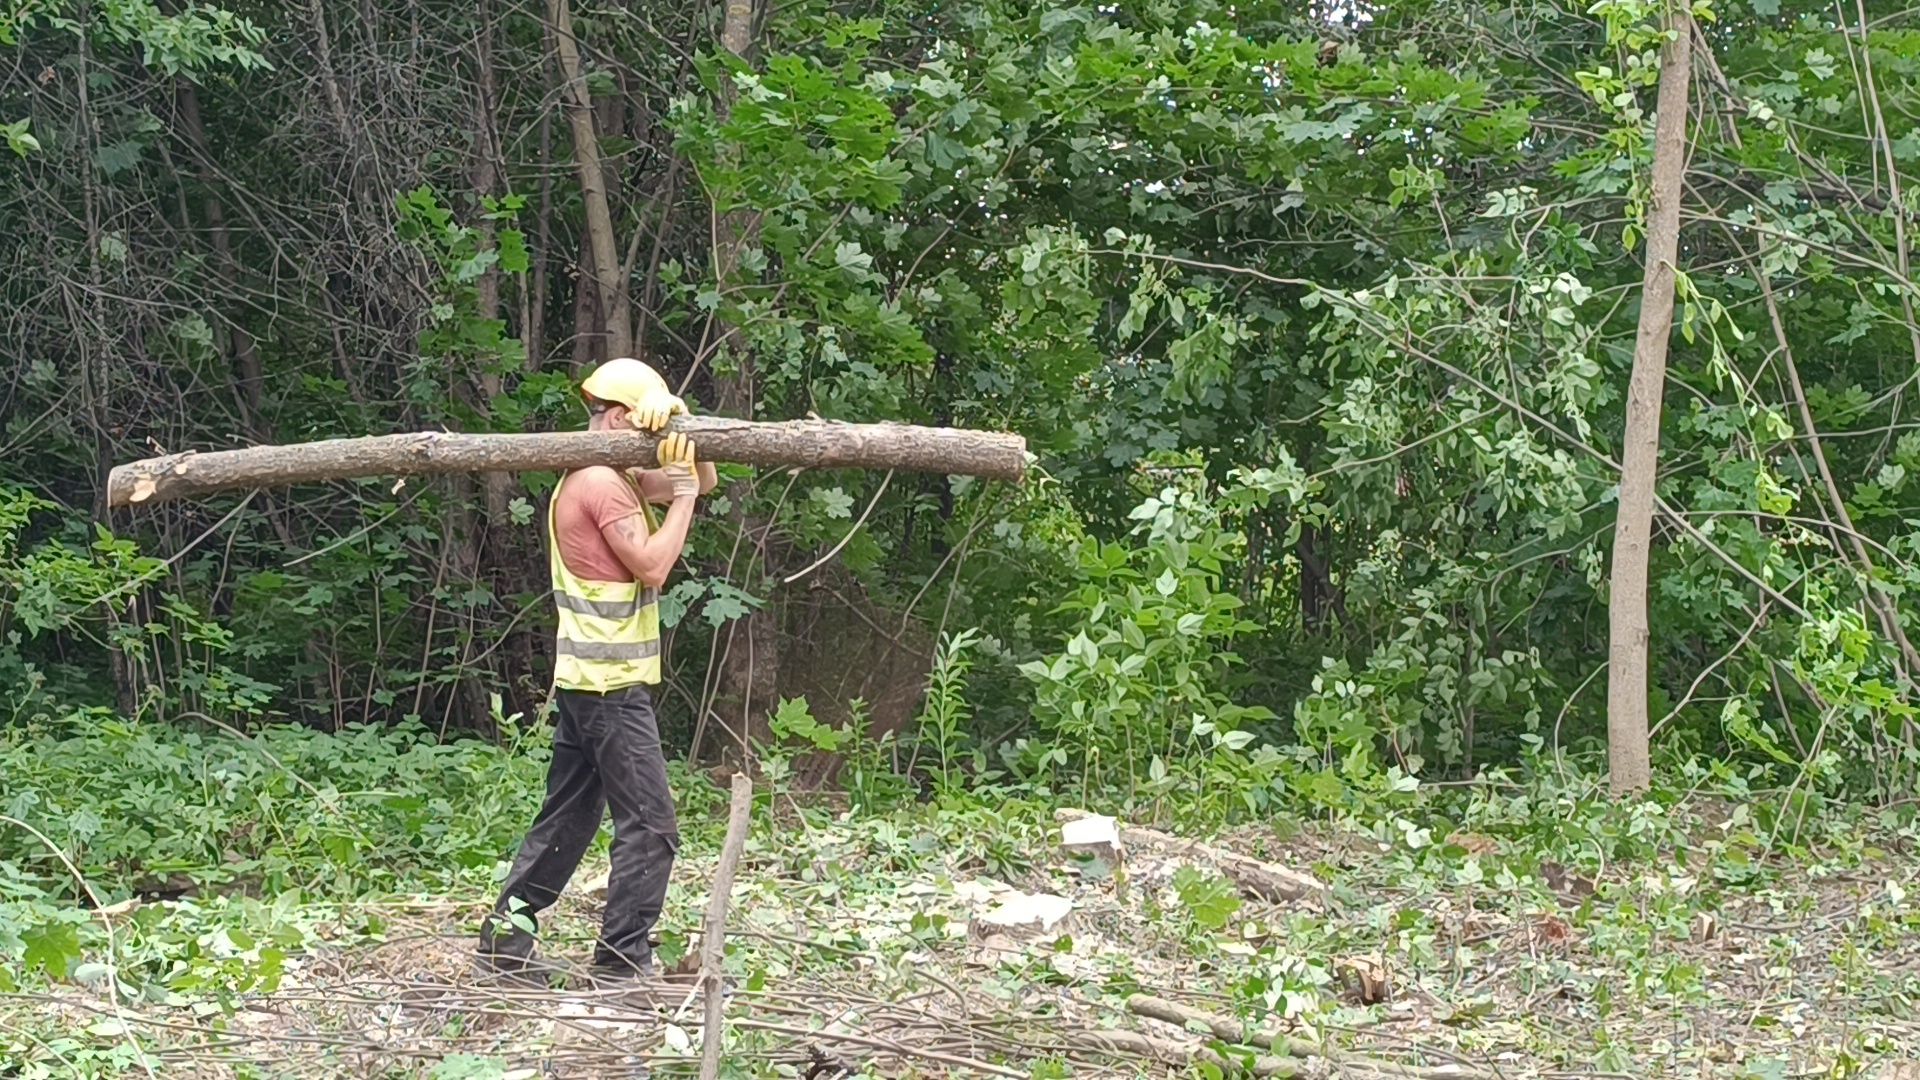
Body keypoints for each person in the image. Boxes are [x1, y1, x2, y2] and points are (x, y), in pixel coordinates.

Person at [476, 357, 717, 988]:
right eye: (643, 425)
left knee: (568, 819)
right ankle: (620, 961)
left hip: (590, 681)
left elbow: (704, 477)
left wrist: (683, 424)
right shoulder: (603, 484)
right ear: (617, 420)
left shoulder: (609, 475)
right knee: (653, 825)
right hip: (609, 688)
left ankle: (506, 942)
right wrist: (683, 501)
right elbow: (654, 565)